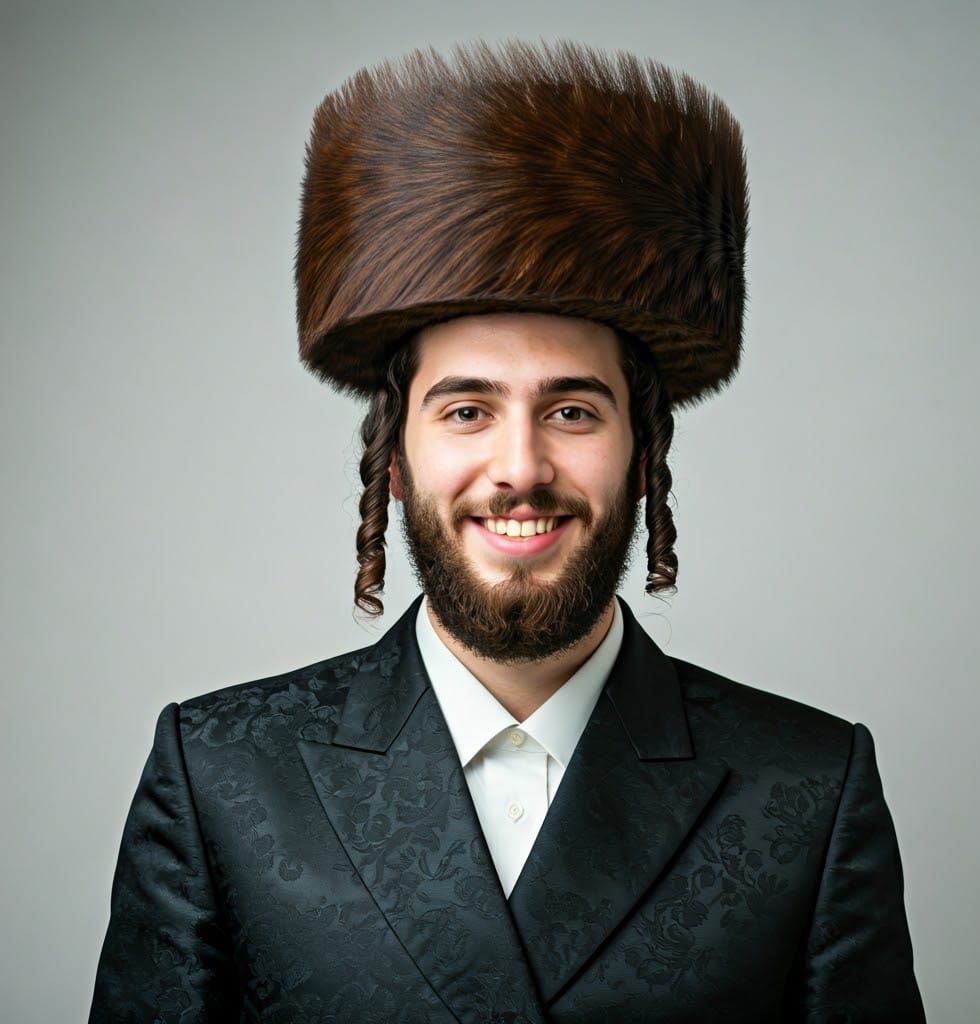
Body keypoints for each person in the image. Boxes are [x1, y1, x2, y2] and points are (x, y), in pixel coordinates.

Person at [90, 40, 925, 1023]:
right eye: (466, 410)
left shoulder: (808, 788)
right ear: (394, 461)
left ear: (642, 453)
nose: (521, 466)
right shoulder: (222, 774)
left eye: (571, 410)